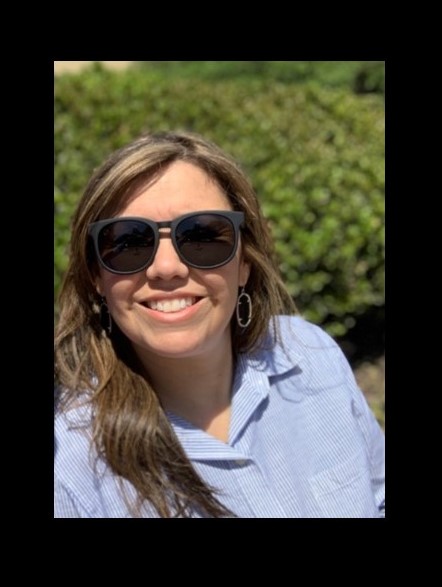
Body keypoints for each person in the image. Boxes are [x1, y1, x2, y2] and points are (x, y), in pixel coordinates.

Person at [54, 130, 385, 518]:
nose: (167, 268)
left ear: (244, 261)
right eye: (128, 242)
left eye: (202, 235)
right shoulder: (70, 469)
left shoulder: (310, 353)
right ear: (96, 276)